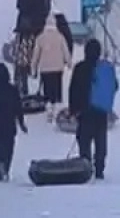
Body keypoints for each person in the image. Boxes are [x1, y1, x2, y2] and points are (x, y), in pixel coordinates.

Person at [68, 38, 117, 179]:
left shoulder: (80, 68)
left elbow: (73, 89)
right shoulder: (104, 69)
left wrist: (73, 110)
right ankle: (100, 169)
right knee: (100, 139)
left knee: (84, 139)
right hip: (100, 111)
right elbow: (114, 85)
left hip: (84, 111)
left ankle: (86, 165)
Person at [0, 62, 27, 181]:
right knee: (9, 147)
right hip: (10, 123)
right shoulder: (13, 90)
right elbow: (18, 108)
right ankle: (6, 167)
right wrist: (22, 123)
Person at [31, 15, 73, 119]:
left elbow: (35, 55)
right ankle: (56, 105)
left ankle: (49, 105)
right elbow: (65, 51)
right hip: (58, 68)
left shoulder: (40, 37)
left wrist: (33, 69)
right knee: (57, 86)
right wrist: (69, 63)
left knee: (47, 87)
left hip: (45, 69)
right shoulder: (60, 37)